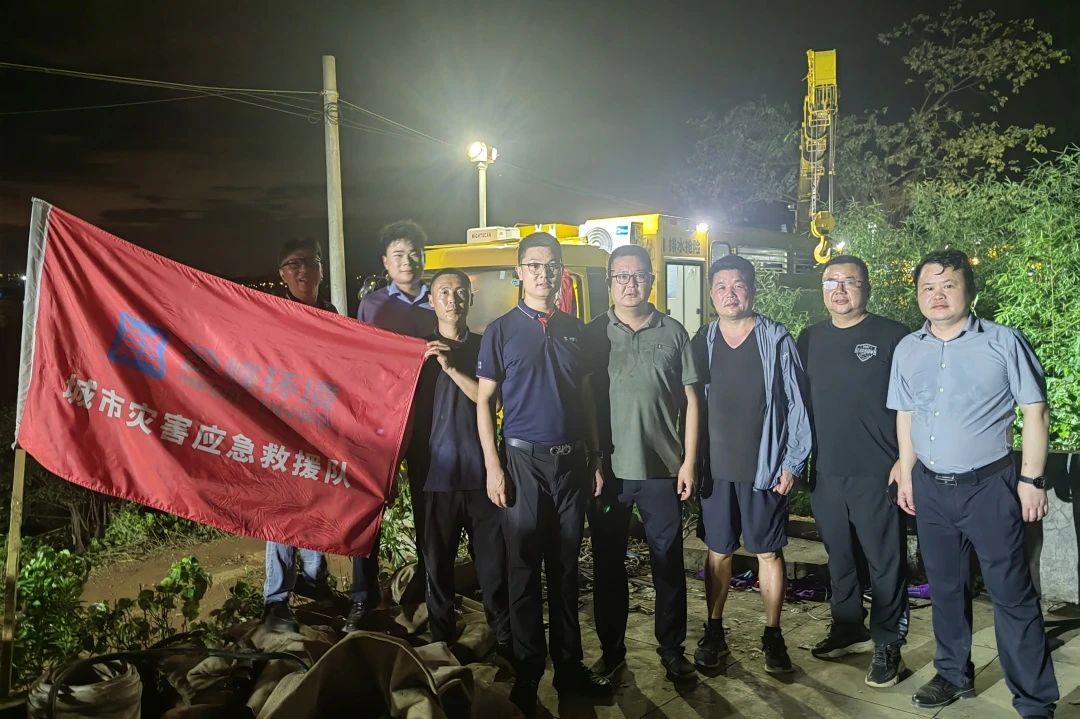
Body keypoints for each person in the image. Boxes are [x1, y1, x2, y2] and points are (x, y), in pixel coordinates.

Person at [888, 249, 1058, 717]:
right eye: (927, 287)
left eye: (948, 285)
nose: (937, 295)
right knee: (945, 588)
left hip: (989, 488)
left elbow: (1035, 411)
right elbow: (906, 414)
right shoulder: (908, 349)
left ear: (970, 290)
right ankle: (952, 674)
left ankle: (1034, 699)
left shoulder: (1003, 342)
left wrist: (1032, 479)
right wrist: (907, 472)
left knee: (1012, 593)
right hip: (931, 488)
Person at [476, 232, 612, 715]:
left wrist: (596, 457)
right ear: (520, 272)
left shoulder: (578, 331)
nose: (543, 273)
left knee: (567, 568)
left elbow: (587, 398)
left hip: (572, 464)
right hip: (522, 463)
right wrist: (493, 466)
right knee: (523, 568)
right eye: (534, 265)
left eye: (551, 265)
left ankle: (569, 668)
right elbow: (484, 401)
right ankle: (528, 669)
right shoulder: (500, 331)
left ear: (561, 272)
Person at [584, 245, 700, 682]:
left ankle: (672, 650)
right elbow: (582, 401)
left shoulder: (673, 332)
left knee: (667, 563)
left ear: (651, 280)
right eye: (621, 276)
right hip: (609, 474)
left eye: (638, 276)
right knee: (608, 565)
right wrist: (592, 459)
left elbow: (691, 401)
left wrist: (689, 462)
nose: (630, 284)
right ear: (609, 282)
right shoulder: (594, 334)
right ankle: (611, 652)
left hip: (662, 471)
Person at [691, 254, 811, 675]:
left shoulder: (776, 339)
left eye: (738, 285)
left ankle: (773, 635)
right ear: (711, 294)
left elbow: (797, 403)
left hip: (765, 469)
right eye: (721, 286)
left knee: (768, 553)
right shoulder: (702, 340)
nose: (730, 293)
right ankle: (714, 630)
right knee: (717, 552)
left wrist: (793, 462)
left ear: (752, 290)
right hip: (715, 470)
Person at [796, 255, 910, 687]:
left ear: (867, 288)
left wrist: (906, 459)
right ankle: (848, 627)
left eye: (850, 282)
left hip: (879, 471)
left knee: (885, 561)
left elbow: (915, 403)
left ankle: (888, 642)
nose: (839, 290)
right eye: (831, 282)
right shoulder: (809, 338)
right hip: (827, 471)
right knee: (840, 558)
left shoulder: (893, 336)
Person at [346, 219, 437, 633]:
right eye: (399, 254)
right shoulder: (372, 306)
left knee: (428, 507)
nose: (408, 261)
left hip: (429, 419)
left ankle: (429, 586)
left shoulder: (437, 300)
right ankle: (362, 596)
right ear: (385, 262)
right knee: (368, 505)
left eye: (414, 253)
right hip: (382, 421)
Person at [419, 268, 511, 658]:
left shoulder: (484, 347)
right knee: (437, 569)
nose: (452, 299)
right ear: (430, 301)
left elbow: (493, 401)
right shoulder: (417, 353)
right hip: (435, 477)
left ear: (470, 300)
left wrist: (453, 368)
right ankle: (441, 645)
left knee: (493, 568)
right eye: (443, 292)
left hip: (481, 475)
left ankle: (506, 644)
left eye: (459, 292)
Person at [262, 238, 344, 632]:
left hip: (320, 426)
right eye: (293, 264)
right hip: (282, 425)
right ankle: (276, 600)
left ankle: (314, 581)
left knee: (316, 503)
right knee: (283, 510)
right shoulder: (271, 313)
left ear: (321, 270)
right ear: (282, 274)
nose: (303, 270)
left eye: (310, 262)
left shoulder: (332, 315)